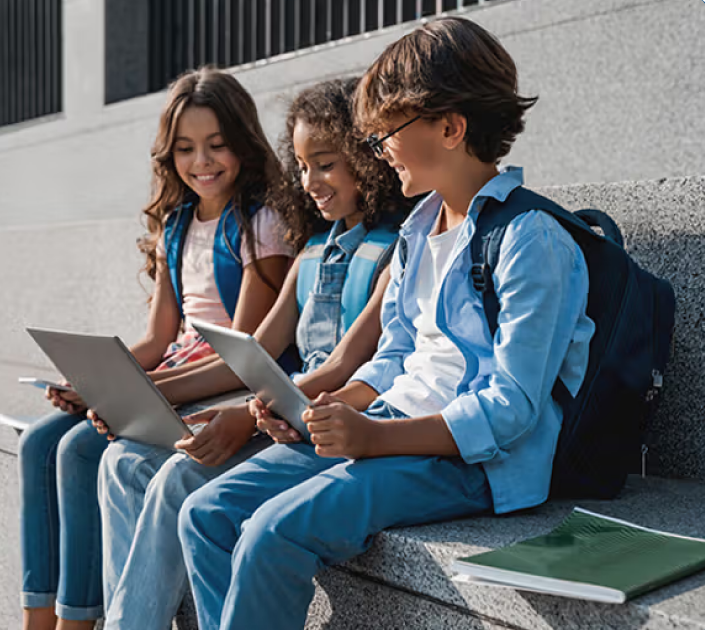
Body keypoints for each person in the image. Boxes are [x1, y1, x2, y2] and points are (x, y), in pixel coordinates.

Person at [177, 16, 597, 630]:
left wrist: (374, 439)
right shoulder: (418, 231)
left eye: (385, 135)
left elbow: (511, 408)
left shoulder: (529, 240)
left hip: (470, 463)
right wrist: (317, 414)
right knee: (206, 513)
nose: (377, 152)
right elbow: (392, 360)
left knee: (272, 532)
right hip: (388, 427)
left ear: (450, 127)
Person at [96, 77, 413, 630]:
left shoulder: (395, 252)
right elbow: (254, 354)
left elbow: (347, 368)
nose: (310, 181)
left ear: (368, 157)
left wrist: (246, 419)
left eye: (326, 163)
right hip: (283, 421)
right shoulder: (311, 252)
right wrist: (138, 394)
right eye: (303, 165)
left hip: (335, 428)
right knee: (126, 463)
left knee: (181, 485)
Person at [18, 67, 294, 630]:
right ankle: (40, 617)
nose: (203, 162)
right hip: (174, 380)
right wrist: (94, 379)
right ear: (169, 155)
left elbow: (240, 362)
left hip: (216, 390)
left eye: (217, 145)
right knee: (40, 442)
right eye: (186, 148)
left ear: (243, 141)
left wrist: (133, 392)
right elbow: (157, 339)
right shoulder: (176, 224)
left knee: (79, 452)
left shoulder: (258, 224)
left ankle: (84, 619)